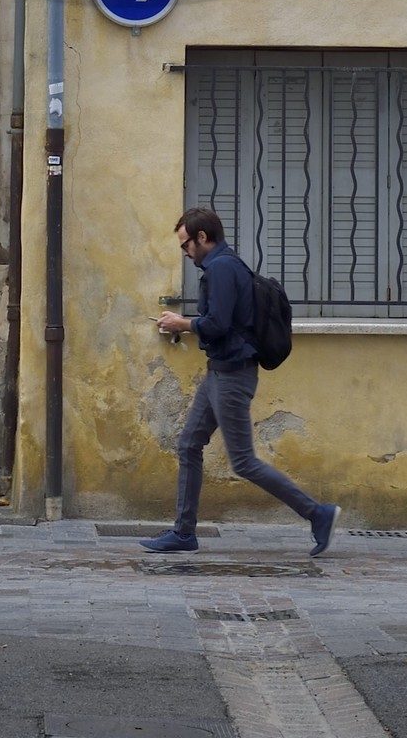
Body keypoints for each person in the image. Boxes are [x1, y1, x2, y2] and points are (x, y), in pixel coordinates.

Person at [142, 207, 339, 557]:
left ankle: (317, 513)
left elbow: (217, 324)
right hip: (220, 371)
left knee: (244, 461)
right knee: (189, 444)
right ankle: (184, 533)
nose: (185, 254)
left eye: (185, 245)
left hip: (232, 374)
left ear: (202, 238)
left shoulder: (221, 268)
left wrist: (182, 324)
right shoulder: (226, 265)